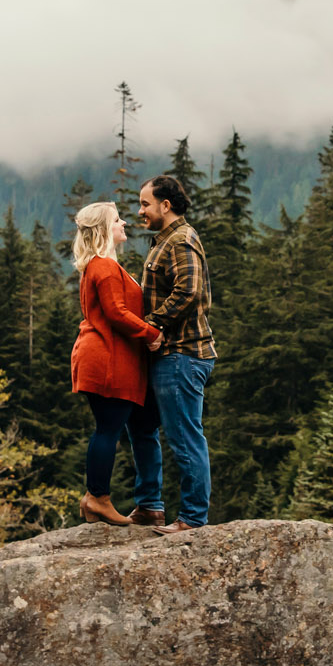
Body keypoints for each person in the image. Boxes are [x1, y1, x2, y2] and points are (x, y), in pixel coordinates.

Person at [68, 200, 164, 526]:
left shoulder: (99, 265)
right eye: (118, 220)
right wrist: (151, 333)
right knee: (108, 429)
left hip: (106, 355)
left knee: (113, 428)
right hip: (107, 358)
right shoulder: (105, 267)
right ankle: (97, 498)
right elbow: (116, 313)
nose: (124, 223)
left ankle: (100, 498)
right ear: (105, 229)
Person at [134, 173, 215, 533]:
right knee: (141, 427)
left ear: (165, 205)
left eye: (145, 204)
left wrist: (151, 326)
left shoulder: (181, 240)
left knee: (184, 437)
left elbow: (189, 291)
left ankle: (193, 520)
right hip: (165, 357)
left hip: (182, 355)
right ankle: (150, 506)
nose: (140, 211)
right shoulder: (162, 241)